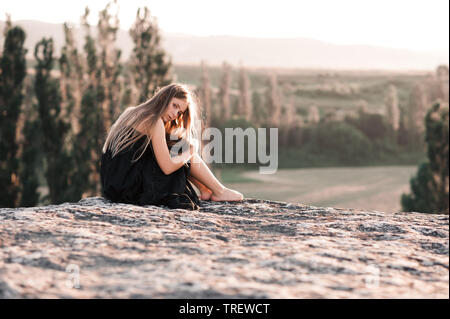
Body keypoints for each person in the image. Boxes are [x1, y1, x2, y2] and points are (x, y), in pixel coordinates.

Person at [100, 83, 243, 210]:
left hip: (113, 185)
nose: (175, 114)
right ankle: (218, 190)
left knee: (177, 146)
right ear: (163, 98)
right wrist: (190, 151)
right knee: (182, 149)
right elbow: (167, 167)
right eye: (174, 105)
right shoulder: (154, 122)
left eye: (179, 112)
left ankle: (205, 189)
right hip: (127, 187)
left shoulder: (131, 112)